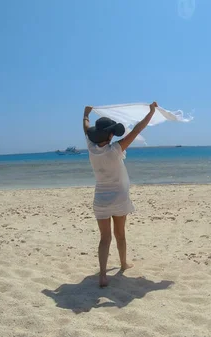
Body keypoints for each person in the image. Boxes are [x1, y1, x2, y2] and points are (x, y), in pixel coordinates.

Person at [83, 101, 158, 287]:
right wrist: (151, 112)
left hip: (100, 199)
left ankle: (102, 275)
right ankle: (123, 263)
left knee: (104, 238)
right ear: (110, 134)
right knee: (120, 234)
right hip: (118, 198)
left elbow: (85, 128)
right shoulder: (116, 149)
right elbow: (137, 130)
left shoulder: (91, 149)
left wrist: (85, 114)